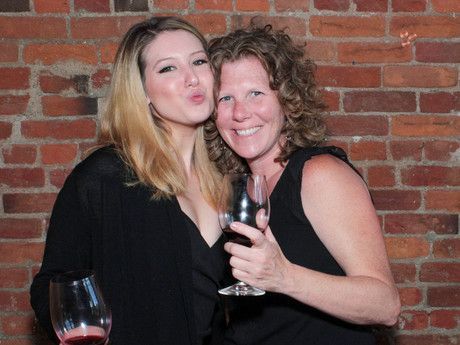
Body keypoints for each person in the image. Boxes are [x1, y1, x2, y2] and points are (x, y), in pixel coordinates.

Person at [30, 16, 227, 345]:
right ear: (143, 92)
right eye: (168, 68)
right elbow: (51, 289)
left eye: (199, 61)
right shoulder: (105, 177)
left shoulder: (225, 178)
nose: (192, 78)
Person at [204, 24, 401, 344]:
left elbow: (385, 305)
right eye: (226, 98)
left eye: (256, 93)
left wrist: (284, 277)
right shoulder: (240, 190)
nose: (240, 113)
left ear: (287, 99)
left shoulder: (319, 174)